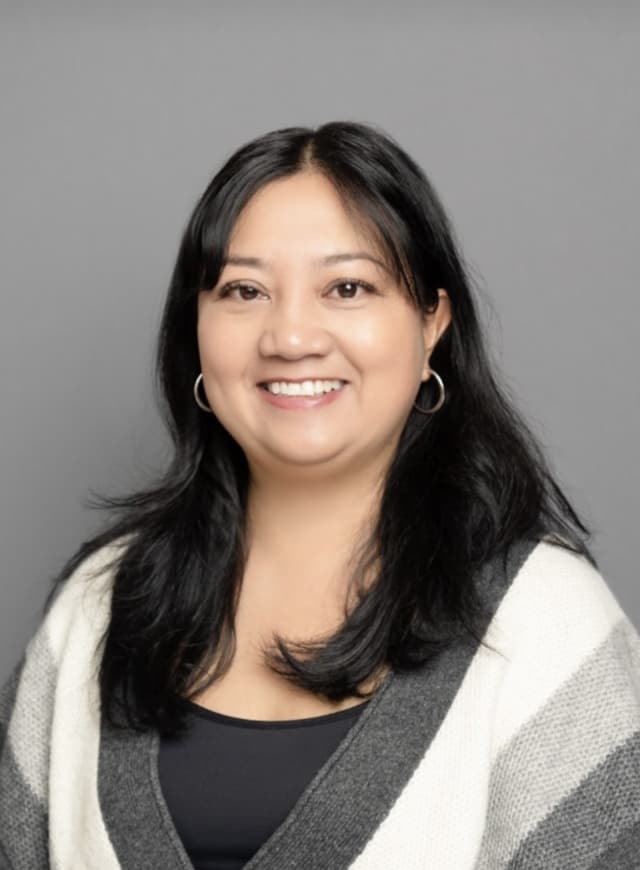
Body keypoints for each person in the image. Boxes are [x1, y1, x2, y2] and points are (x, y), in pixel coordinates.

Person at [1, 121, 638, 870]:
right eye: (244, 290)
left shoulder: (548, 625)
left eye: (347, 288)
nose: (290, 336)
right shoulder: (97, 607)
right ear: (196, 331)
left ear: (432, 322)